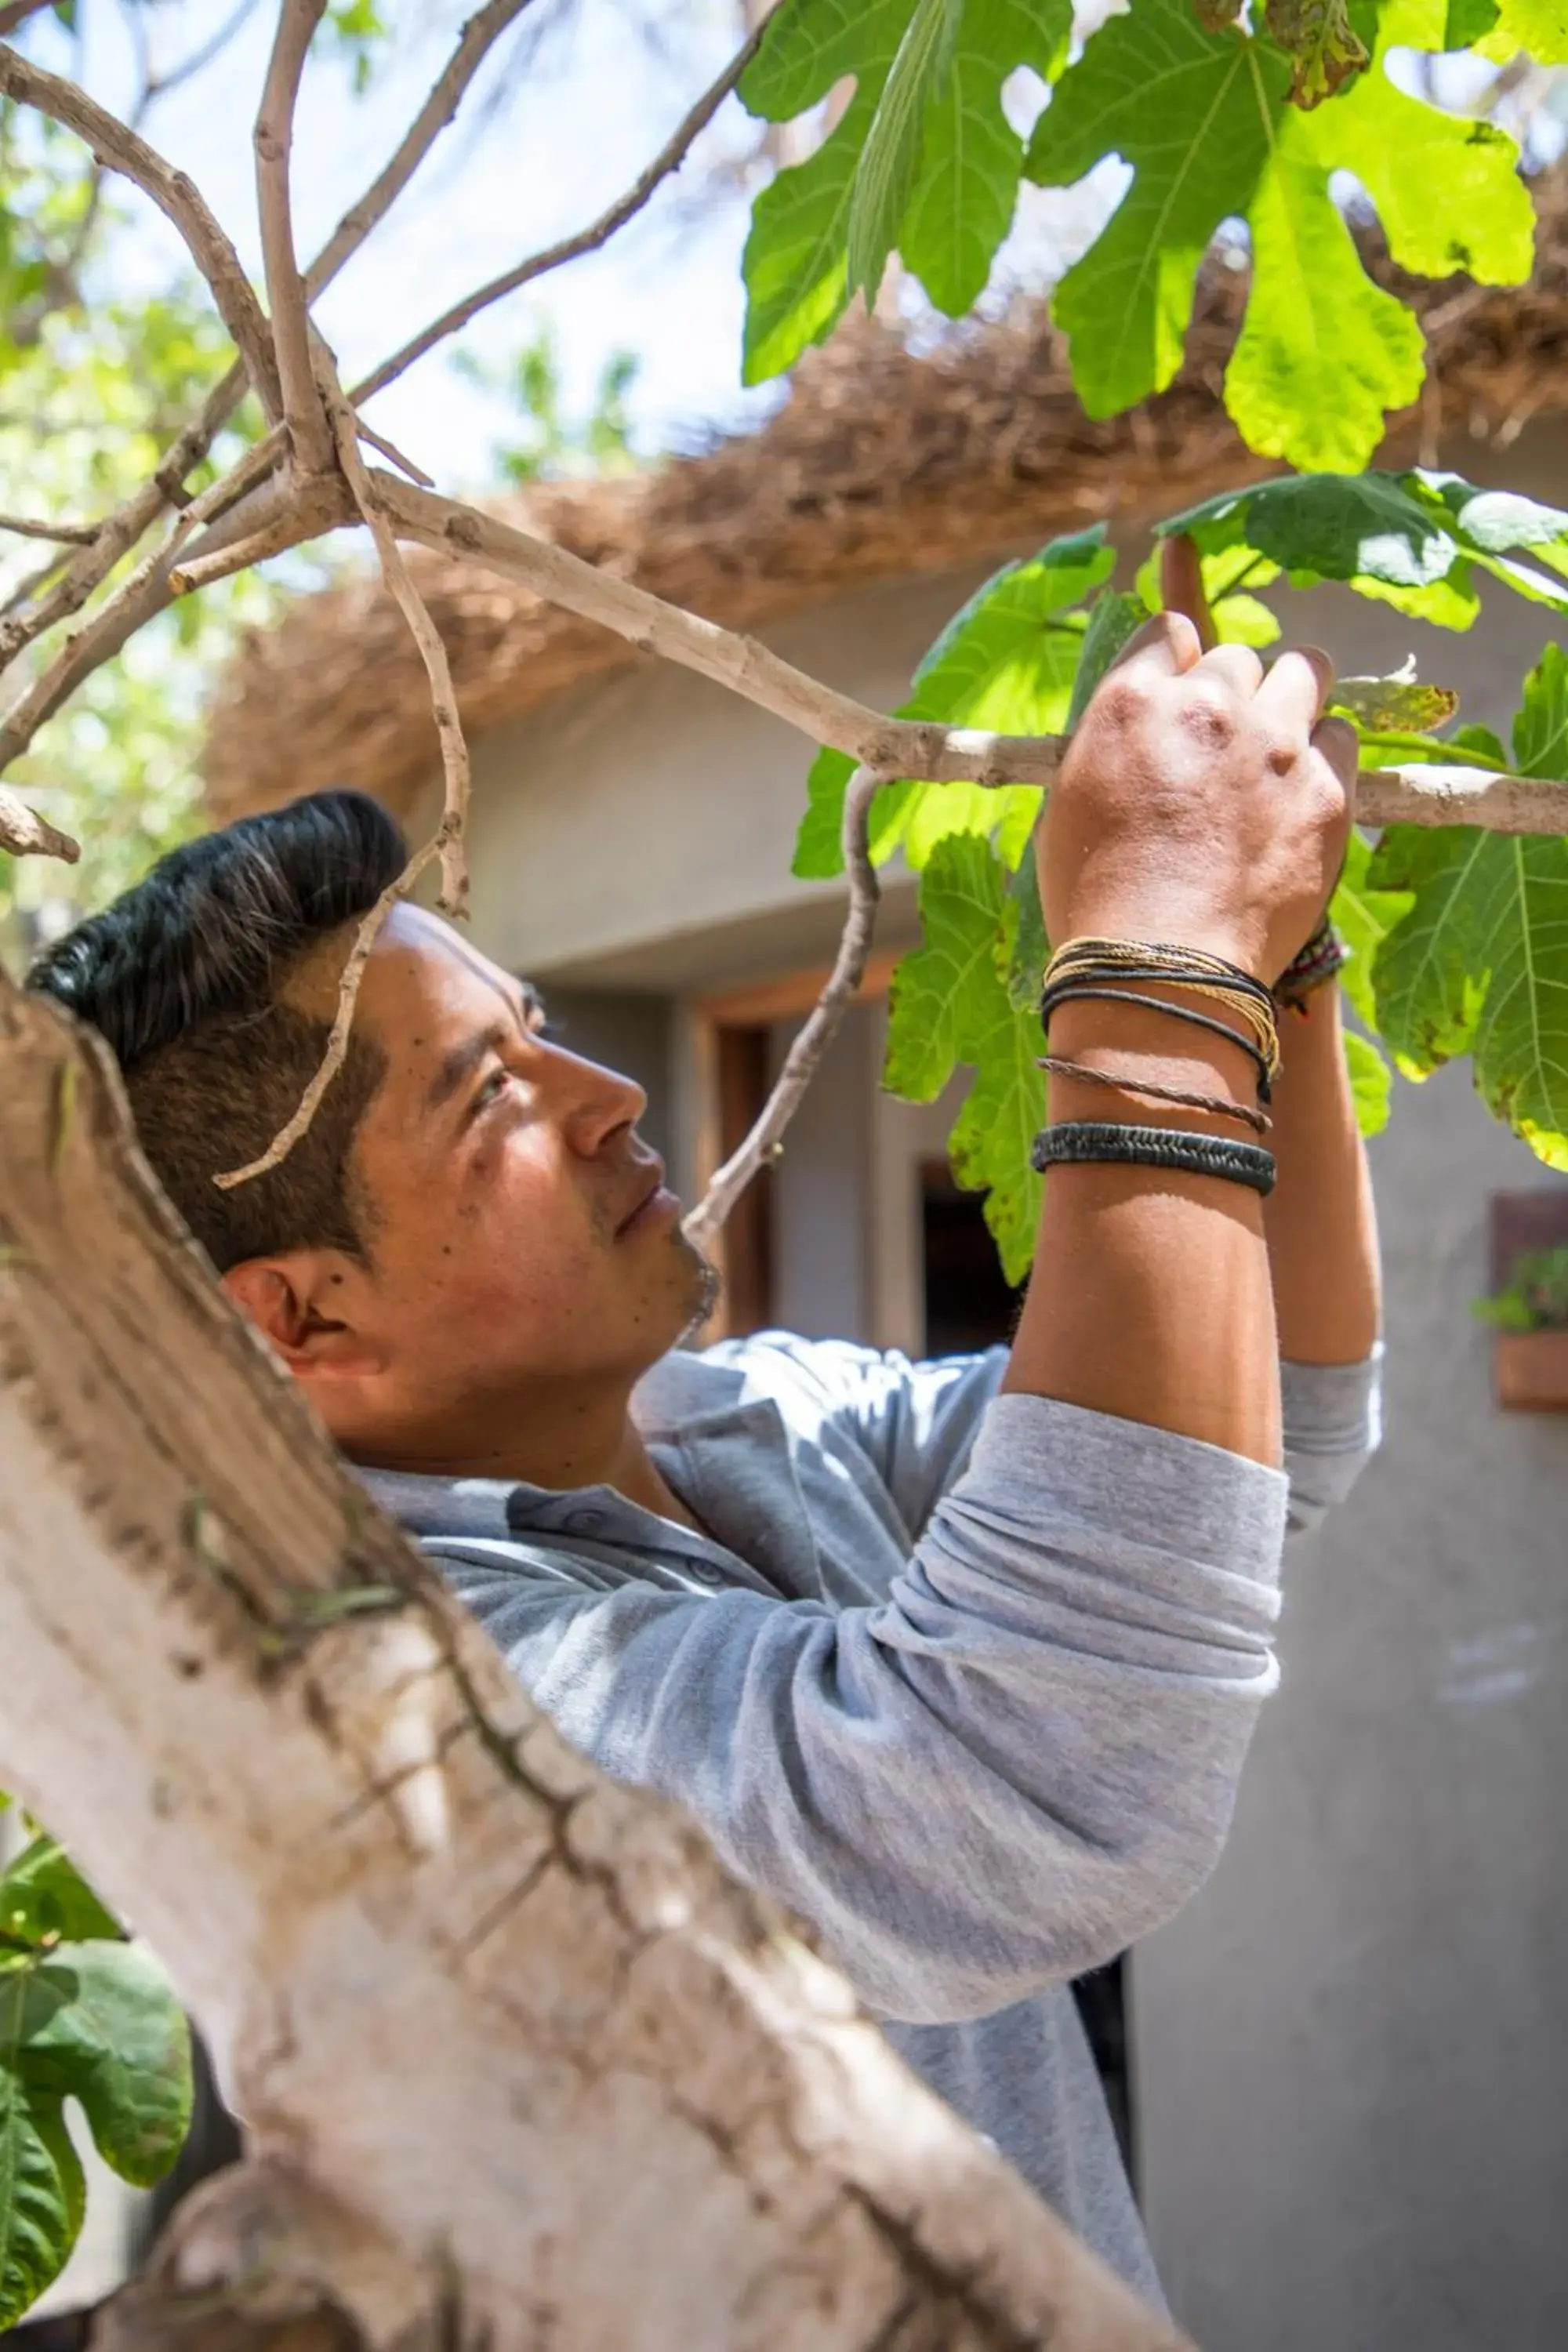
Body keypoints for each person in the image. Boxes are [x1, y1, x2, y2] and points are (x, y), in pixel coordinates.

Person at [27, 606, 1381, 2312]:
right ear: (303, 1324)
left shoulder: (734, 1420)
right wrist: (1157, 971)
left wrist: (1271, 963)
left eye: (538, 1025)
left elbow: (1273, 1420)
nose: (602, 1091)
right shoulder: (427, 1690)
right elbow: (1035, 1774)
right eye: (487, 1095)